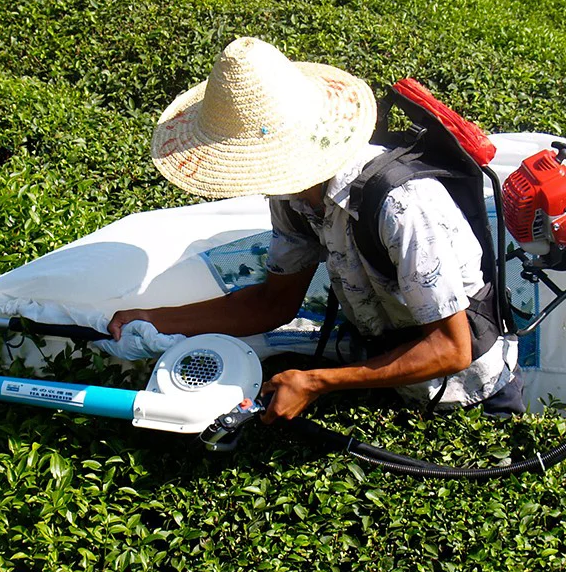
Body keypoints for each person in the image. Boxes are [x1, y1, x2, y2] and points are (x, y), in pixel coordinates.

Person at [108, 36, 522, 423]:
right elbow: (272, 303)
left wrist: (318, 382)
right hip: (386, 373)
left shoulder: (403, 204)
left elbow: (451, 348)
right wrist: (154, 318)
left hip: (471, 398)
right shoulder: (291, 194)